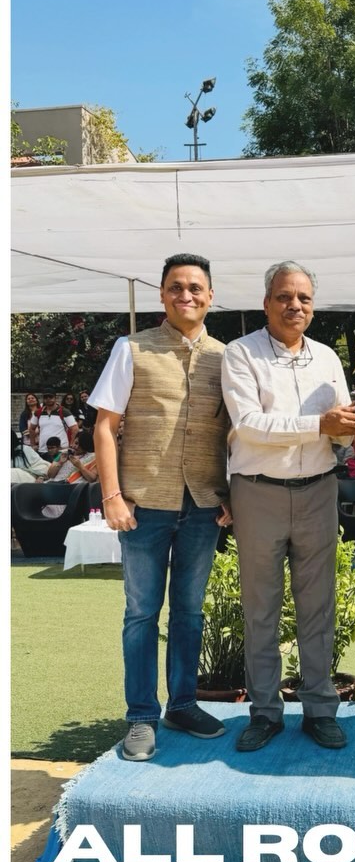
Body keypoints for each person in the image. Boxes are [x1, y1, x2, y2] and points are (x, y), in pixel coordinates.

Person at [222, 260, 355, 753]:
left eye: (304, 298)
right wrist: (320, 427)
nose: (295, 305)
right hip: (258, 491)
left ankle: (319, 710)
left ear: (313, 306)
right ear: (266, 303)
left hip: (318, 491)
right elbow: (248, 424)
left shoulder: (327, 357)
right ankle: (264, 712)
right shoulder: (241, 354)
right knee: (261, 607)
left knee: (318, 606)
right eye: (285, 296)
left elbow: (343, 423)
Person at [91, 253, 231, 762]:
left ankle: (184, 704)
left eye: (196, 287)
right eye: (176, 287)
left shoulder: (227, 356)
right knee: (142, 614)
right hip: (143, 504)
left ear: (211, 295)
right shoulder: (131, 348)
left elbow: (234, 431)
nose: (186, 295)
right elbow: (105, 426)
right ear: (162, 295)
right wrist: (112, 495)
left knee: (190, 613)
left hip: (203, 505)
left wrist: (230, 495)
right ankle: (142, 716)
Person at [41, 428, 98, 518]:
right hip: (54, 485)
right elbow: (50, 475)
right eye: (75, 443)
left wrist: (80, 466)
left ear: (86, 446)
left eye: (80, 445)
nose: (75, 446)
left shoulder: (92, 457)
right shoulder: (64, 454)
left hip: (72, 489)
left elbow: (92, 478)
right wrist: (60, 462)